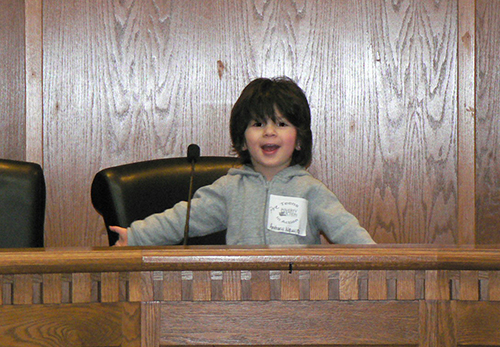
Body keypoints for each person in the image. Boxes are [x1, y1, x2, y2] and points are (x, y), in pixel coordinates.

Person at [110, 77, 375, 246]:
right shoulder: (230, 188)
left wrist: (380, 262)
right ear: (242, 140)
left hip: (299, 299)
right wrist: (136, 235)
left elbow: (347, 231)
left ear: (300, 139)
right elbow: (182, 219)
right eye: (258, 124)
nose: (269, 132)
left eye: (281, 124)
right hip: (240, 296)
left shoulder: (311, 191)